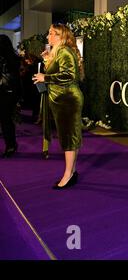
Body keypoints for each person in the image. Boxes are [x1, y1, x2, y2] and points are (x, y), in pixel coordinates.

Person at [33, 24, 84, 189]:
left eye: (51, 33)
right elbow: (59, 72)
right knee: (71, 137)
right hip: (62, 100)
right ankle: (72, 171)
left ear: (60, 36)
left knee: (69, 138)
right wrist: (48, 60)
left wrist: (45, 78)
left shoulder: (64, 52)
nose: (48, 36)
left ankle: (68, 175)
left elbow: (69, 76)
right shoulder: (59, 52)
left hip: (67, 100)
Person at [0, 35, 21, 158]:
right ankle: (11, 145)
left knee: (5, 120)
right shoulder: (14, 58)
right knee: (6, 120)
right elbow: (17, 78)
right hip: (10, 92)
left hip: (4, 92)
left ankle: (11, 145)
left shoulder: (4, 59)